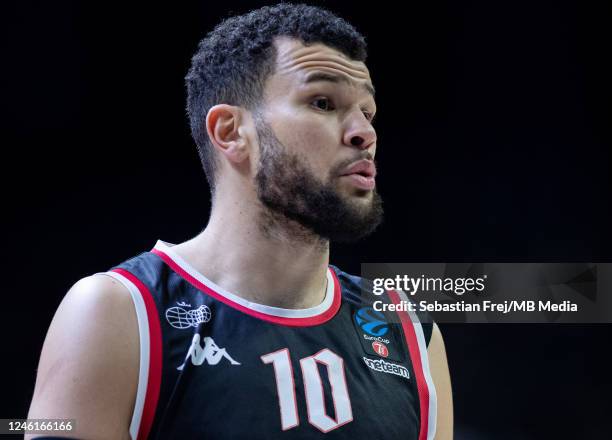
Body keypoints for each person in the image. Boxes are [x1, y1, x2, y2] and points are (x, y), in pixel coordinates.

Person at [27, 3, 453, 439]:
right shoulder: (113, 312)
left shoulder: (410, 334)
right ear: (230, 132)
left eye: (368, 112)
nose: (364, 132)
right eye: (323, 102)